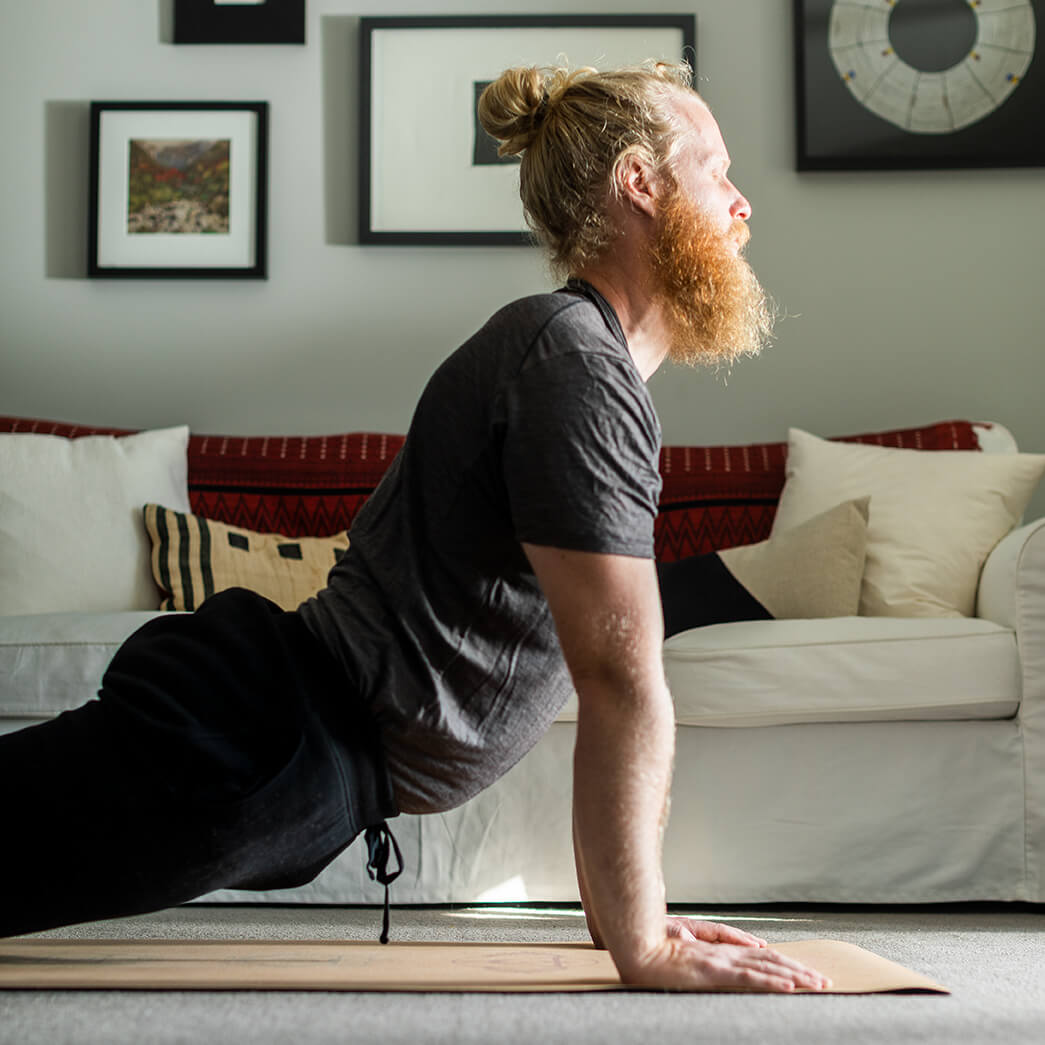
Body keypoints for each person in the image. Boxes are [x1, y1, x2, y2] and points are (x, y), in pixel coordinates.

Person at [0, 61, 830, 993]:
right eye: (715, 169)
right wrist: (645, 945)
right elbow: (619, 676)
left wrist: (622, 922)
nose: (741, 201)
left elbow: (607, 675)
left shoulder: (578, 360)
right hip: (256, 736)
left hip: (288, 743)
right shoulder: (571, 362)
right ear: (639, 182)